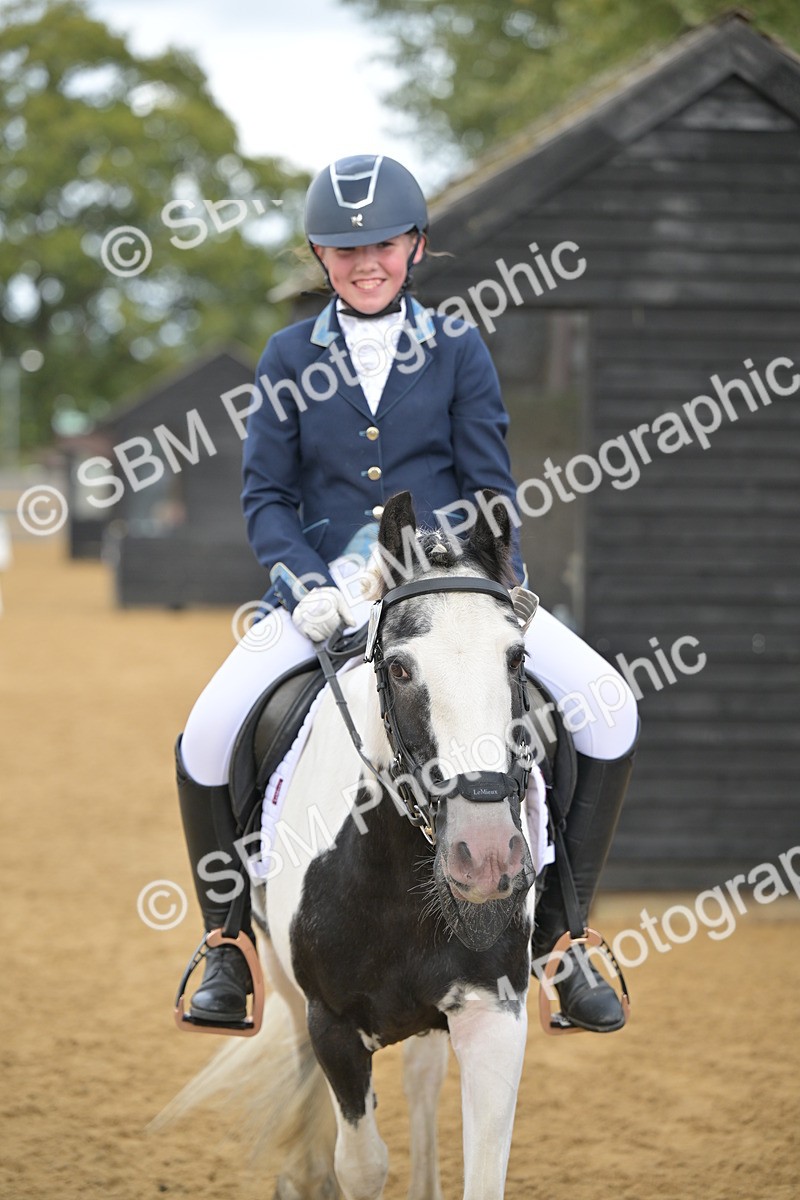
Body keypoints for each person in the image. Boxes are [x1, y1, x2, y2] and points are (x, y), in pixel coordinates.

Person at [175, 153, 638, 1034]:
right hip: (324, 592)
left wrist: (480, 575)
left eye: (382, 244)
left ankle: (563, 939)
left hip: (453, 586)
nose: (366, 263)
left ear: (416, 245)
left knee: (610, 710)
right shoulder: (285, 356)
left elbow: (492, 488)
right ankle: (226, 948)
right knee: (204, 738)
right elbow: (266, 499)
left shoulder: (458, 347)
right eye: (346, 250)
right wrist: (310, 586)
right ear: (319, 255)